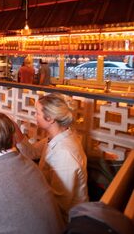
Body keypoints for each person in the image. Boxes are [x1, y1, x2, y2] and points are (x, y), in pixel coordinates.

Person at [16, 93, 88, 221]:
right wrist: (16, 132)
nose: (34, 116)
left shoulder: (64, 154)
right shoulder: (60, 135)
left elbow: (58, 206)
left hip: (66, 220)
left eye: (37, 113)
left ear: (50, 119)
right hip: (49, 204)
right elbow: (32, 153)